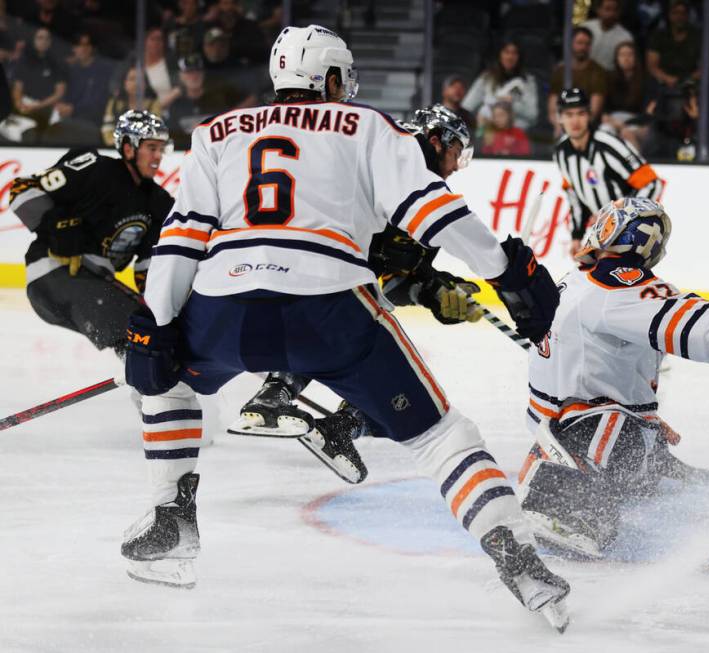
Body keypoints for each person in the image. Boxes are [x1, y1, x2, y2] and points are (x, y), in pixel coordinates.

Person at [119, 25, 570, 632]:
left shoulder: (216, 132)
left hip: (226, 306)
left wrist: (160, 322)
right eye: (344, 75)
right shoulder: (369, 127)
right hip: (329, 307)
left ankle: (170, 520)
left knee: (166, 385)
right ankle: (515, 554)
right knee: (439, 435)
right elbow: (435, 216)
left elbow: (182, 239)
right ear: (330, 79)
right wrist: (509, 273)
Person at [516, 197, 709, 557]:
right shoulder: (615, 283)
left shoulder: (579, 280)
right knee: (627, 434)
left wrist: (642, 414)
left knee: (634, 432)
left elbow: (591, 365)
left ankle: (641, 466)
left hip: (555, 423)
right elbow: (677, 315)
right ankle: (565, 505)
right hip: (576, 438)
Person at [233, 103, 485, 466]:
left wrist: (437, 291)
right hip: (311, 280)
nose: (454, 168)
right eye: (454, 155)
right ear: (435, 142)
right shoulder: (384, 171)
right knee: (347, 334)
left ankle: (336, 423)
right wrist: (429, 285)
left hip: (330, 292)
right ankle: (281, 396)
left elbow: (397, 280)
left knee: (366, 344)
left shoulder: (426, 199)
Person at [7, 110, 174, 357]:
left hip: (96, 283)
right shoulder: (95, 168)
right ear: (128, 148)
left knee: (154, 326)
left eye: (162, 149)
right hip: (52, 276)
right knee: (139, 330)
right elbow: (21, 189)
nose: (158, 156)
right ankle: (144, 375)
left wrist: (163, 305)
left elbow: (148, 268)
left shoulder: (159, 203)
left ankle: (146, 379)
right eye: (151, 147)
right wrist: (57, 226)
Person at [553, 88, 666, 256]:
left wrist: (623, 218)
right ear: (560, 118)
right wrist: (576, 236)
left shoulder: (608, 144)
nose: (575, 120)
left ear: (589, 115)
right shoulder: (561, 153)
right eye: (569, 115)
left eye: (580, 113)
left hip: (628, 234)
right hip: (601, 236)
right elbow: (575, 197)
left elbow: (652, 183)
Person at [462, 41, 539, 130]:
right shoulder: (487, 77)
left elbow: (533, 115)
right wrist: (480, 119)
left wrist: (513, 105)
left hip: (515, 135)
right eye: (506, 52)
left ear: (519, 57)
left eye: (514, 53)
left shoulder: (528, 81)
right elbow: (467, 106)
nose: (510, 57)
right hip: (488, 133)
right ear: (500, 55)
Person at [548, 27, 608, 134]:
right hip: (562, 121)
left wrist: (576, 125)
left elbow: (594, 110)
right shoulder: (560, 71)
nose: (583, 47)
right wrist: (559, 124)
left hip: (587, 123)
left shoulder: (598, 72)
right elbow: (552, 108)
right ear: (571, 44)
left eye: (587, 44)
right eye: (579, 43)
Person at [101, 67, 164, 146]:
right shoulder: (114, 103)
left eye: (140, 80)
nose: (136, 83)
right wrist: (118, 144)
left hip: (144, 148)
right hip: (116, 147)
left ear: (145, 84)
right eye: (131, 79)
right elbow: (107, 128)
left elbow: (156, 131)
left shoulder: (153, 103)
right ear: (124, 83)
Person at [580, 0, 635, 71]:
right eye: (607, 9)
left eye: (615, 10)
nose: (611, 14)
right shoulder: (585, 28)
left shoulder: (626, 37)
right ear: (598, 10)